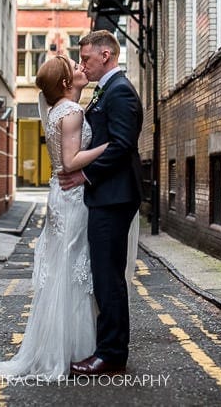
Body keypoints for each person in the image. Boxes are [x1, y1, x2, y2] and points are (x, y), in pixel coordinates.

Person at [0, 55, 107, 380]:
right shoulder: (73, 112)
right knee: (73, 265)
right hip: (72, 196)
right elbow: (70, 160)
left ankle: (56, 345)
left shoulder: (54, 112)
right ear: (65, 83)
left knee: (63, 265)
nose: (80, 68)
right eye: (73, 68)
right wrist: (107, 148)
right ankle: (75, 350)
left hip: (58, 195)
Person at [59, 30, 144, 376]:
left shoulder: (120, 91)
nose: (83, 64)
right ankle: (108, 349)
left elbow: (122, 145)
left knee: (108, 277)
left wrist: (85, 175)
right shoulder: (106, 90)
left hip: (113, 196)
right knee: (104, 274)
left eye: (87, 59)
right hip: (108, 196)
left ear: (106, 55)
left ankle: (111, 355)